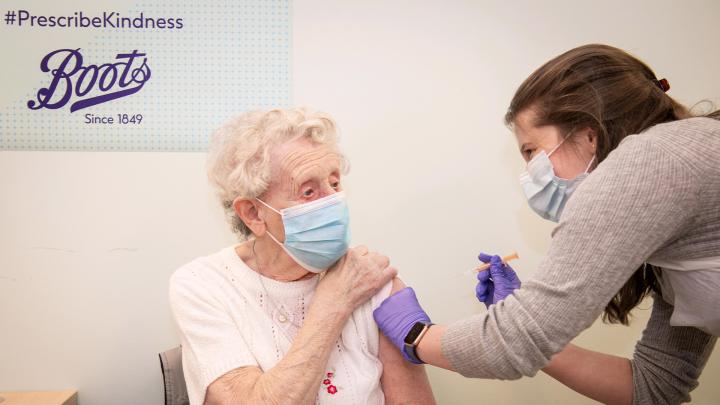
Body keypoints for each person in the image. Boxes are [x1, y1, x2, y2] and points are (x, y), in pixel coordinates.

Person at [373, 44, 720, 405]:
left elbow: (514, 345)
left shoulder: (647, 162)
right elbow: (656, 387)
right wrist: (538, 336)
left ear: (590, 135)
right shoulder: (674, 225)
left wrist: (414, 334)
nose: (528, 175)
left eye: (530, 151)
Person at [169, 108, 435, 405]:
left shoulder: (371, 281)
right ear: (254, 214)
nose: (333, 201)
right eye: (308, 191)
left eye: (334, 184)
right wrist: (333, 303)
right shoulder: (203, 285)